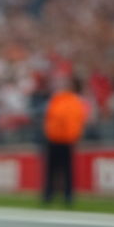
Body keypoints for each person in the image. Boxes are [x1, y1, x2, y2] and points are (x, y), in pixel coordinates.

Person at [41, 77, 88, 205]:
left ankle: (65, 195)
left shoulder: (70, 101)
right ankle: (52, 194)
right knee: (55, 169)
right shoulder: (62, 100)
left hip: (65, 139)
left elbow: (74, 119)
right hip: (56, 138)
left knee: (63, 169)